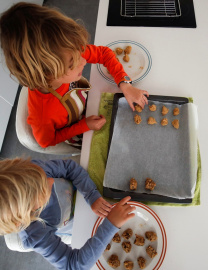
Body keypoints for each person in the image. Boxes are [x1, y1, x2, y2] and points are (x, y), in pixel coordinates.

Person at [0, 2, 149, 148]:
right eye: (72, 63)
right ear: (47, 75)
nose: (84, 61)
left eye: (79, 51)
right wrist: (84, 125)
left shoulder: (66, 51)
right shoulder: (43, 115)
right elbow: (46, 141)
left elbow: (104, 54)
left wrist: (125, 84)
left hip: (87, 104)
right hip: (79, 131)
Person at [0, 158, 135, 270]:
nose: (51, 181)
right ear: (24, 217)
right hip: (72, 226)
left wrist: (92, 195)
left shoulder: (31, 170)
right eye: (43, 191)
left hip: (81, 194)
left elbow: (69, 168)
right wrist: (110, 225)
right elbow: (73, 265)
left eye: (43, 177)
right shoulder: (35, 234)